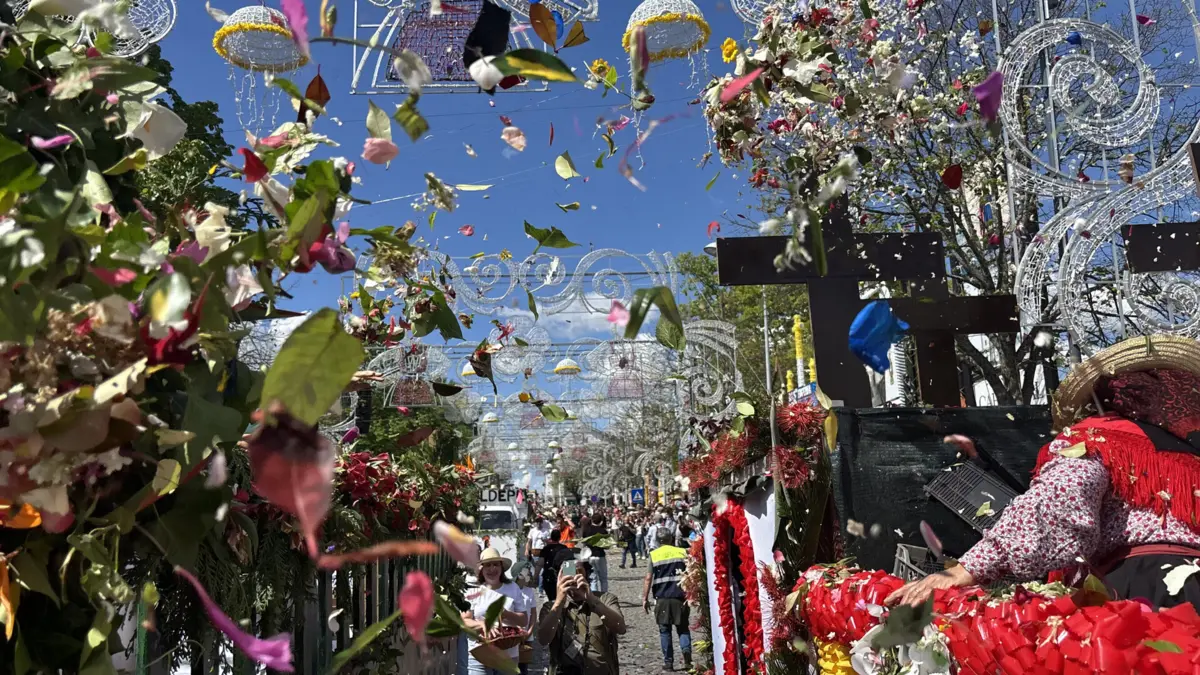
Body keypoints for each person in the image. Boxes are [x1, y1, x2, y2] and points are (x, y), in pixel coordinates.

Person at [887, 335, 1200, 611]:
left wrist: (965, 569)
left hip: (1144, 589)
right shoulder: (1190, 459)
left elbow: (1061, 499)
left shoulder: (1095, 436)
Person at [537, 559, 627, 675]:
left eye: (578, 572)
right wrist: (559, 602)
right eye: (568, 573)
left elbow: (620, 628)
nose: (573, 578)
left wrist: (592, 600)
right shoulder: (551, 607)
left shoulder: (605, 599)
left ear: (586, 574)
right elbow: (543, 639)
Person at [463, 548, 530, 675]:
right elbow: (464, 621)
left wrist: (506, 614)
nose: (492, 569)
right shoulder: (473, 590)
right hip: (479, 655)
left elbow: (523, 620)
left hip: (508, 656)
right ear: (482, 569)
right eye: (488, 565)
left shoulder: (512, 588)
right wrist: (482, 624)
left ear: (501, 567)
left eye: (495, 564)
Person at [643, 525, 691, 672]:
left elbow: (648, 578)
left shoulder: (654, 555)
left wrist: (644, 598)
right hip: (680, 597)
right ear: (671, 539)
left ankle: (668, 662)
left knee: (665, 631)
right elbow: (690, 572)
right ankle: (687, 657)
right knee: (683, 628)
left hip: (662, 597)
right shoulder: (682, 552)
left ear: (658, 540)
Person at [514, 563, 539, 675]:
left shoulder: (529, 591)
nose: (529, 576)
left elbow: (533, 613)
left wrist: (530, 631)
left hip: (527, 634)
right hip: (513, 634)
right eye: (527, 574)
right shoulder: (511, 589)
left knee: (523, 665)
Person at [540, 530, 574, 601]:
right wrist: (571, 578)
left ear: (551, 537)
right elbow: (569, 565)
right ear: (560, 537)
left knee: (551, 599)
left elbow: (540, 564)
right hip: (561, 577)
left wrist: (535, 577)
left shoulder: (546, 549)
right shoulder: (564, 548)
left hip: (548, 576)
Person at [581, 514, 610, 593]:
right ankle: (604, 596)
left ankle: (594, 596)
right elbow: (607, 546)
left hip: (589, 556)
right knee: (603, 578)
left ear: (592, 520)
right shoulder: (603, 531)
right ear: (601, 521)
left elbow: (583, 544)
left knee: (593, 578)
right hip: (600, 555)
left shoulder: (586, 530)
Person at [527, 515, 552, 588]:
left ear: (542, 522)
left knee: (541, 572)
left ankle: (540, 589)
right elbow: (529, 541)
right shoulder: (532, 531)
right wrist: (527, 550)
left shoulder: (546, 531)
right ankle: (536, 586)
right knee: (535, 571)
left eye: (540, 521)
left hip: (542, 553)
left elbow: (549, 542)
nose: (538, 523)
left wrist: (545, 541)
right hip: (534, 552)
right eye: (537, 522)